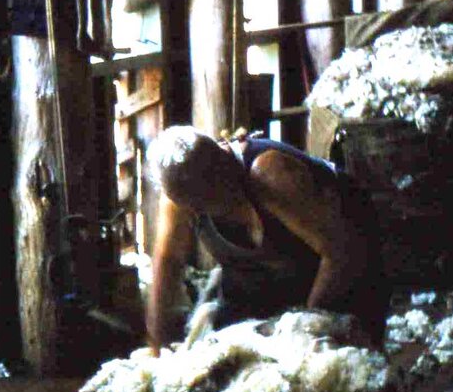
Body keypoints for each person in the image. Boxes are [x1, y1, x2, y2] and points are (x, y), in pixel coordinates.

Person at [144, 125, 389, 354]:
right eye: (198, 205)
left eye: (215, 190)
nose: (201, 210)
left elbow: (339, 252)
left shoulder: (271, 174)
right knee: (227, 358)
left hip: (344, 260)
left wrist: (302, 329)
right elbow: (167, 263)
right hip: (261, 279)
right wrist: (157, 347)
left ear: (223, 160)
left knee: (330, 361)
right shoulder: (181, 197)